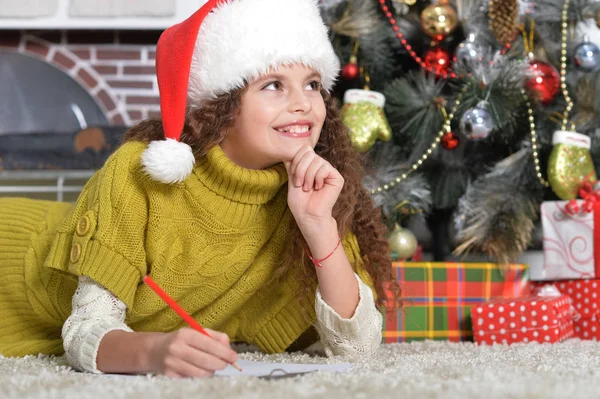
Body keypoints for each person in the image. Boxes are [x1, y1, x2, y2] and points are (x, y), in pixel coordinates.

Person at [0, 0, 401, 378]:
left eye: (312, 84)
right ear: (222, 105)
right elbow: (84, 329)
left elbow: (359, 349)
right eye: (274, 85)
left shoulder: (314, 190)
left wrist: (319, 227)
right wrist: (154, 352)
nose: (303, 104)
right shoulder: (140, 173)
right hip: (13, 267)